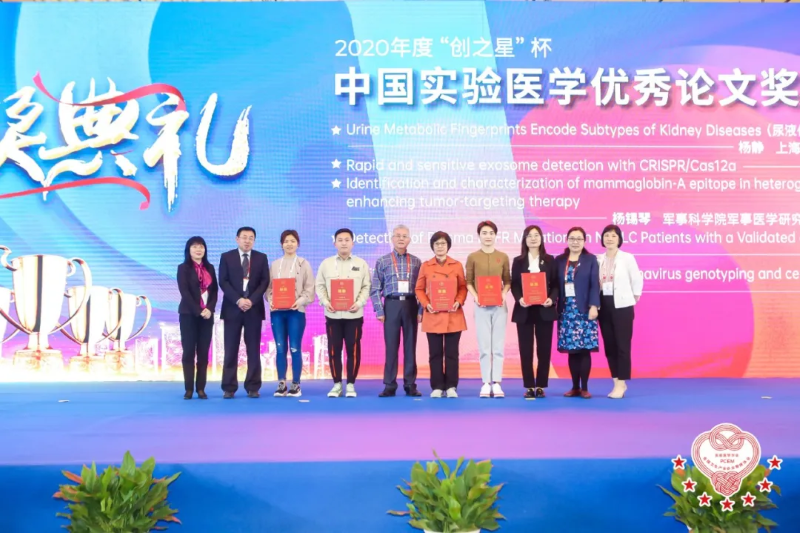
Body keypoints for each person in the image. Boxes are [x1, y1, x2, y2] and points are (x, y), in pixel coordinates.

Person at [315, 228, 371, 398]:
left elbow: (366, 286)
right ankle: (337, 384)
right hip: (333, 316)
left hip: (354, 316)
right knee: (334, 350)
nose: (344, 243)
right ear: (335, 243)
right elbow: (320, 286)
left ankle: (351, 384)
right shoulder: (326, 264)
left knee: (353, 350)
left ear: (353, 243)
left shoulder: (361, 263)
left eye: (347, 240)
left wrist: (359, 303)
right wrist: (326, 302)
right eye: (340, 240)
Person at [370, 225, 423, 397]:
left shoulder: (416, 262)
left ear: (409, 239)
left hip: (410, 304)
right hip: (391, 305)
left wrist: (421, 310)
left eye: (404, 236)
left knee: (410, 346)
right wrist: (379, 310)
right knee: (391, 347)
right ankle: (389, 384)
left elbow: (423, 288)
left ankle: (410, 384)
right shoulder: (383, 261)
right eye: (398, 235)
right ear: (392, 238)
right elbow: (375, 289)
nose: (401, 239)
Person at [218, 227, 270, 399]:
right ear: (237, 239)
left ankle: (253, 386)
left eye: (251, 238)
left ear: (254, 240)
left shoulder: (261, 258)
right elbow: (223, 281)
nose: (247, 241)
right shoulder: (226, 257)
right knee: (230, 349)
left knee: (253, 349)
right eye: (244, 237)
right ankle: (229, 387)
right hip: (232, 309)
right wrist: (238, 300)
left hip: (253, 310)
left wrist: (251, 300)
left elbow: (264, 282)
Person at [415, 231, 467, 398]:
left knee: (452, 354)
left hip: (453, 315)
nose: (440, 246)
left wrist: (459, 301)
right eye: (437, 244)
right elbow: (419, 289)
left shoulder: (457, 265)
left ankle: (451, 386)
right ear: (432, 246)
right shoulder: (426, 266)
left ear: (448, 246)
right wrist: (426, 304)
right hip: (433, 315)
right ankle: (437, 386)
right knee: (435, 354)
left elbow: (463, 287)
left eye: (443, 243)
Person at [510, 225, 558, 400]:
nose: (533, 238)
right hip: (525, 310)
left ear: (541, 238)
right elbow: (515, 284)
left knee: (544, 350)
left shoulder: (550, 260)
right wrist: (519, 298)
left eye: (536, 235)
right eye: (529, 235)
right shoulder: (518, 261)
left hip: (545, 309)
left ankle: (541, 386)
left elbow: (556, 284)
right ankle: (529, 385)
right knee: (526, 350)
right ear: (525, 239)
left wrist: (551, 299)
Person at [266, 230, 315, 398]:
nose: (289, 244)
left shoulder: (304, 264)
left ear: (298, 244)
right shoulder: (275, 265)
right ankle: (281, 384)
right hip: (277, 313)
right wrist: (271, 300)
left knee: (295, 347)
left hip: (296, 312)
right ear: (281, 244)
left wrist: (299, 301)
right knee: (280, 348)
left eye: (292, 241)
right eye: (286, 241)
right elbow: (269, 288)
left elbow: (310, 289)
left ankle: (296, 384)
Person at [465, 220, 511, 398]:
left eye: (491, 233)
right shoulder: (473, 257)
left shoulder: (503, 257)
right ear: (479, 235)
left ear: (496, 235)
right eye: (484, 233)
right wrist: (476, 297)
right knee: (484, 346)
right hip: (481, 306)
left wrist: (504, 294)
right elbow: (468, 282)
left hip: (499, 306)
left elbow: (507, 281)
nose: (488, 236)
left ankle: (497, 383)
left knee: (497, 347)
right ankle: (485, 382)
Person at [597, 224, 643, 399]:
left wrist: (633, 298)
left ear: (619, 239)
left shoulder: (627, 258)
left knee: (622, 346)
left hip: (622, 306)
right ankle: (616, 381)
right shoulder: (598, 259)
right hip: (604, 304)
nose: (609, 239)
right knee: (609, 346)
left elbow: (636, 279)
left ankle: (622, 383)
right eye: (606, 235)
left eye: (613, 236)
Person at [555, 227, 600, 399]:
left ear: (584, 241)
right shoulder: (560, 260)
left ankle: (585, 388)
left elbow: (594, 284)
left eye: (579, 239)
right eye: (572, 238)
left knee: (584, 350)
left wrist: (594, 306)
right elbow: (554, 284)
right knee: (572, 350)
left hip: (585, 311)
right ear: (567, 240)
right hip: (566, 311)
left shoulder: (590, 259)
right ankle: (574, 387)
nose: (575, 242)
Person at [177, 236, 218, 400]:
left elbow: (215, 291)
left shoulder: (210, 268)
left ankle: (201, 388)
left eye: (201, 246)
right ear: (189, 250)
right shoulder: (183, 268)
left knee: (203, 353)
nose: (198, 249)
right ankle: (188, 389)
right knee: (188, 352)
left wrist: (210, 309)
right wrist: (198, 310)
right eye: (194, 247)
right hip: (189, 314)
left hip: (207, 316)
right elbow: (184, 292)